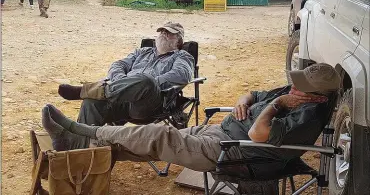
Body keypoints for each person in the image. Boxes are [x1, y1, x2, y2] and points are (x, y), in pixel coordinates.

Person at [41, 63, 340, 172]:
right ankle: (77, 145)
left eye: (301, 86)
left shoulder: (307, 116)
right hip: (220, 132)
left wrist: (275, 105)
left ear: (318, 97)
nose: (294, 86)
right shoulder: (294, 92)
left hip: (236, 152)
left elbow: (258, 136)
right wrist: (243, 101)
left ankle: (80, 131)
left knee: (158, 135)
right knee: (150, 143)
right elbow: (254, 93)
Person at [58, 22, 194, 126]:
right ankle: (82, 151)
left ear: (179, 41)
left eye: (169, 33)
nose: (164, 34)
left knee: (146, 80)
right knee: (91, 103)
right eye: (162, 32)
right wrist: (123, 82)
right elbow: (118, 65)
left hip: (151, 105)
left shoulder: (182, 56)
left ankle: (89, 90)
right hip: (122, 99)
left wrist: (144, 85)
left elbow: (181, 75)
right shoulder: (142, 51)